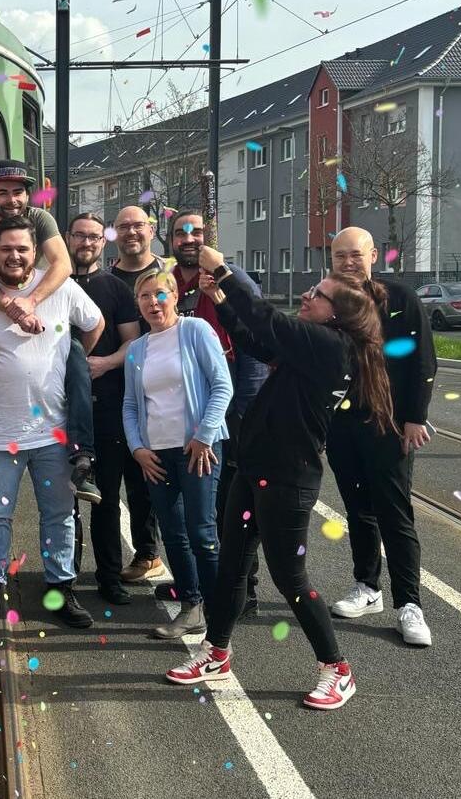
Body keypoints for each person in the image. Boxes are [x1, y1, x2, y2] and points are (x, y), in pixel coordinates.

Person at [164, 244, 396, 712]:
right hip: (253, 471)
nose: (306, 296)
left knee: (290, 577)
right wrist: (224, 305)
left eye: (317, 294)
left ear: (337, 316)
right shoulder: (311, 347)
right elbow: (257, 340)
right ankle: (217, 653)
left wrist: (223, 272)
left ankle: (337, 669)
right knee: (232, 566)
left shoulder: (331, 348)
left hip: (288, 481)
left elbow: (268, 319)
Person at [0, 217, 104, 633]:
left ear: (35, 252)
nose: (14, 256)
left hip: (52, 433)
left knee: (58, 515)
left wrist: (70, 364)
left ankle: (60, 589)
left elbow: (94, 326)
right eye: (6, 249)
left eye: (22, 249)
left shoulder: (61, 289)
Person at [325, 226, 437, 646]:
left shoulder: (400, 299)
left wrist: (415, 417)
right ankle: (367, 587)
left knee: (395, 511)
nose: (348, 263)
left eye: (356, 254)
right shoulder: (327, 300)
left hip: (389, 423)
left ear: (374, 255)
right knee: (358, 509)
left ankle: (409, 603)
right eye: (340, 256)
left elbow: (423, 358)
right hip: (341, 424)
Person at [0, 160, 98, 503]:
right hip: (3, 311)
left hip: (48, 304)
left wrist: (32, 303)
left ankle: (84, 459)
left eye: (18, 192)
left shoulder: (41, 219)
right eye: (3, 193)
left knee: (77, 356)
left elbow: (63, 265)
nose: (12, 200)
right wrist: (13, 308)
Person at [167, 210, 269, 616]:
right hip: (182, 414)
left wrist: (242, 412)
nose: (189, 239)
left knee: (233, 504)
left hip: (230, 413)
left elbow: (256, 342)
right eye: (180, 233)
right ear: (170, 240)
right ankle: (198, 582)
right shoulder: (168, 281)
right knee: (197, 506)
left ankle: (245, 588)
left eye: (197, 232)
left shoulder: (232, 278)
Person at [122, 266, 232, 640]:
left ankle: (219, 613)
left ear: (174, 295)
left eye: (160, 293)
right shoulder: (137, 349)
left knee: (202, 531)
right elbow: (131, 406)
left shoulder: (195, 330)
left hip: (197, 450)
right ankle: (191, 606)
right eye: (145, 296)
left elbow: (222, 385)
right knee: (173, 532)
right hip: (156, 454)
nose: (153, 302)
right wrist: (137, 448)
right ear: (137, 303)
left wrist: (204, 435)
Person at [65, 213, 144, 605]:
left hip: (108, 406)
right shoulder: (53, 285)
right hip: (59, 410)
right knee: (64, 500)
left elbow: (132, 343)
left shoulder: (115, 289)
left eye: (94, 237)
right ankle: (65, 576)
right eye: (80, 235)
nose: (87, 243)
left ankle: (109, 577)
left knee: (107, 498)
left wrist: (105, 363)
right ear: (67, 238)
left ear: (104, 242)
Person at [105, 205, 167, 584]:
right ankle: (140, 554)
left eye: (138, 226)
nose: (132, 233)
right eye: (123, 227)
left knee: (156, 477)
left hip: (164, 393)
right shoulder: (109, 280)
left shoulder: (169, 274)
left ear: (152, 229)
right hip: (119, 391)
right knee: (127, 474)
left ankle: (156, 554)